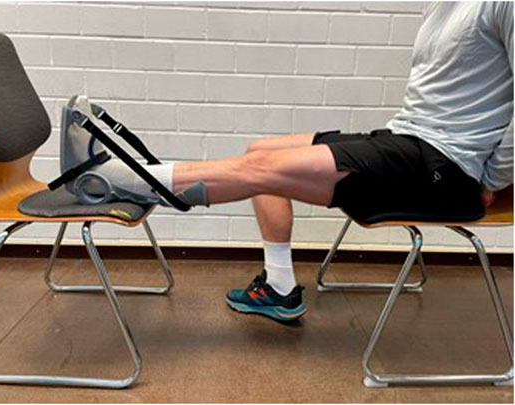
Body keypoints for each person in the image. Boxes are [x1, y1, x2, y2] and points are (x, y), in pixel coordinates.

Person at [69, 2, 513, 321]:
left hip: (446, 168)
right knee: (261, 152)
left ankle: (122, 181)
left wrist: (492, 177)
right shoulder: (441, 6)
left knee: (262, 172)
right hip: (406, 141)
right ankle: (279, 288)